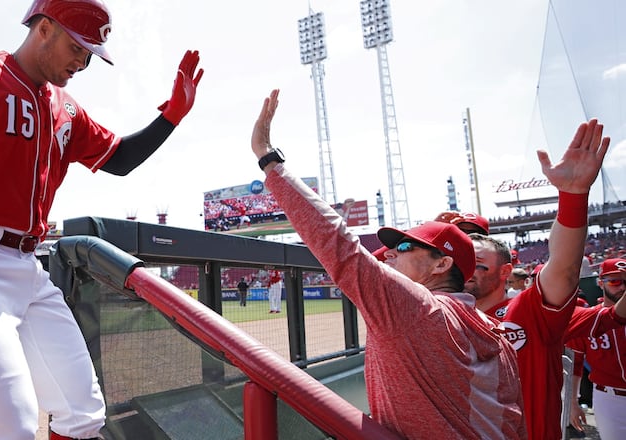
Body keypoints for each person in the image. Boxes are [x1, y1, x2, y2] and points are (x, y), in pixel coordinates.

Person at [0, 1, 203, 439]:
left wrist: (170, 118)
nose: (83, 62)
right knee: (10, 426)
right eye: (77, 47)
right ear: (44, 28)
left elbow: (120, 159)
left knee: (83, 413)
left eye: (90, 54)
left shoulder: (66, 108)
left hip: (30, 268)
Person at [252, 89, 526, 439]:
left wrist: (268, 158)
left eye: (405, 245)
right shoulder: (490, 327)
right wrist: (424, 240)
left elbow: (342, 249)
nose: (390, 253)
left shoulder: (416, 310)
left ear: (442, 266)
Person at [461, 113, 613, 440]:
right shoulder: (442, 317)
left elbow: (564, 267)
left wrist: (573, 195)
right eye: (458, 258)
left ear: (505, 271)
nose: (466, 268)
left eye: (477, 261)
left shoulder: (529, 311)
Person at [566, 258, 626, 439]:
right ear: (600, 283)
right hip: (610, 398)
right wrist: (573, 401)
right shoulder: (588, 318)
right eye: (615, 281)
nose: (622, 287)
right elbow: (575, 362)